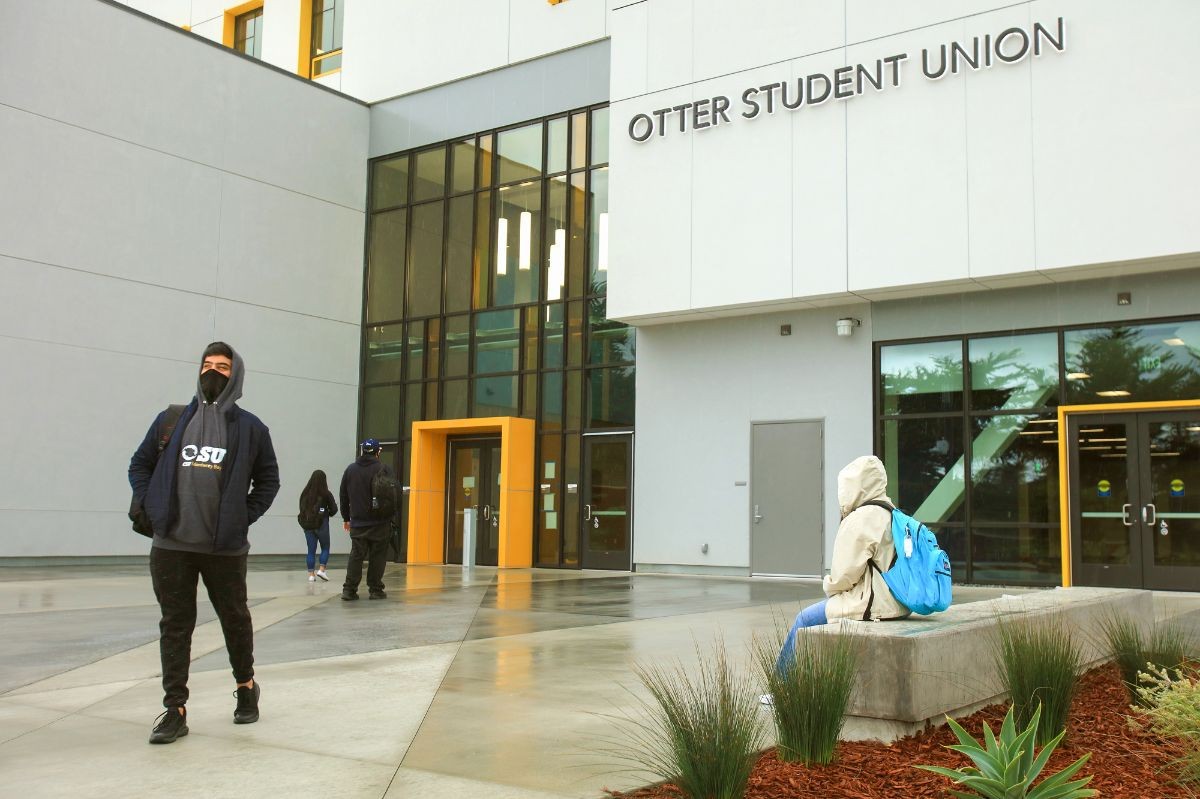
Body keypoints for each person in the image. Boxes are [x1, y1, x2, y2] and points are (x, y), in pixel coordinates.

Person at [128, 342, 280, 744]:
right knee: (175, 625)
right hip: (171, 543)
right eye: (207, 365)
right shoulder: (172, 420)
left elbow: (268, 480)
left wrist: (241, 516)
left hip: (224, 548)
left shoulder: (251, 428)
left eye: (223, 367)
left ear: (237, 375)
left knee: (234, 618)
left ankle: (246, 687)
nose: (213, 372)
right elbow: (139, 464)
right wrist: (153, 504)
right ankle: (174, 709)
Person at [774, 455, 909, 676]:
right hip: (899, 603)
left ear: (853, 486)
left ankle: (781, 685)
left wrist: (830, 589)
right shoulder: (894, 513)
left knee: (805, 619)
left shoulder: (860, 518)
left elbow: (843, 576)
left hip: (872, 605)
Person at [339, 438, 393, 601]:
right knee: (378, 555)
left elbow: (343, 495)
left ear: (363, 451)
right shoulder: (384, 469)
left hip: (358, 521)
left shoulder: (350, 470)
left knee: (356, 555)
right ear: (378, 452)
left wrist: (346, 517)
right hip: (380, 522)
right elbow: (392, 495)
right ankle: (375, 590)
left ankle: (349, 590)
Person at [298, 469, 337, 582]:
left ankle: (311, 575)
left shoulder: (304, 493)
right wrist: (326, 513)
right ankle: (321, 569)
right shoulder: (326, 494)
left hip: (308, 525)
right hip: (322, 524)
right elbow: (334, 509)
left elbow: (301, 509)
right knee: (325, 547)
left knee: (311, 550)